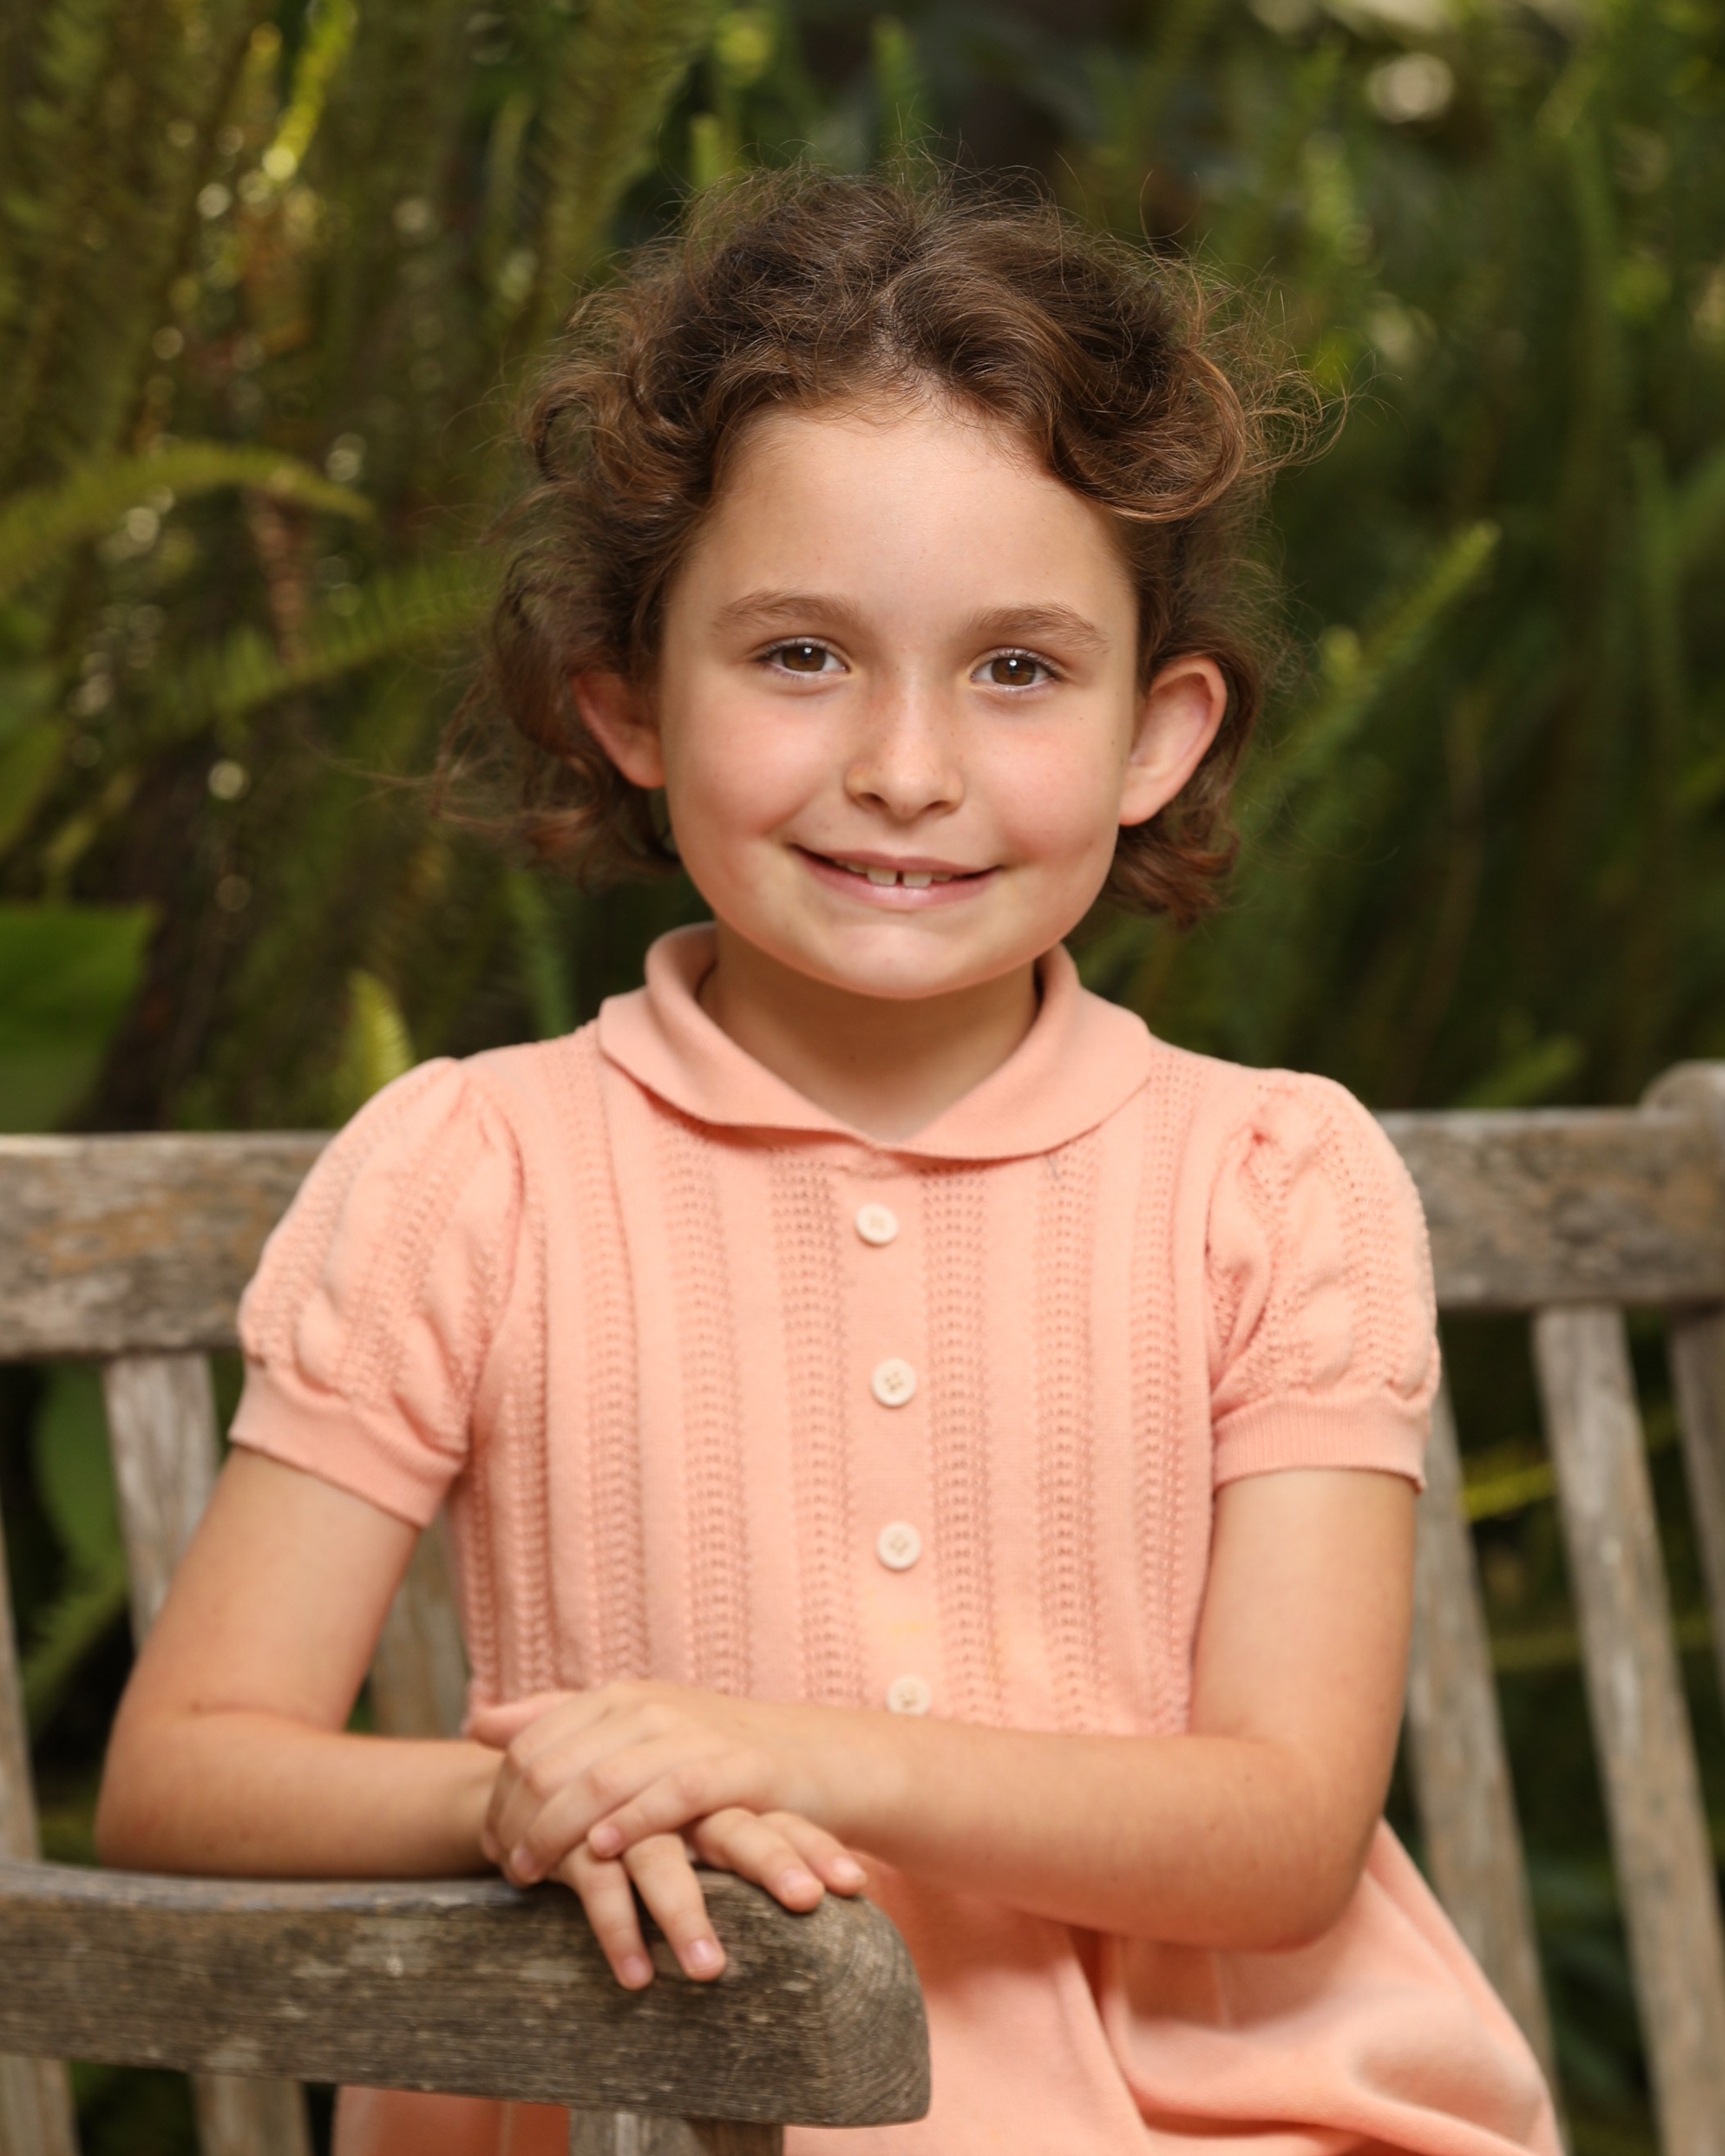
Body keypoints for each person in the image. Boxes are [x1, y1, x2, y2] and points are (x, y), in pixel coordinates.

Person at [95, 169, 1561, 2156]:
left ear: (1157, 735)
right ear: (629, 701)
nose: (905, 769)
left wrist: (784, 1756)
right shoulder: (477, 1170)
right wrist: (530, 1794)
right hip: (653, 2114)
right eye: (800, 654)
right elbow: (185, 1772)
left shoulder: (1274, 1185)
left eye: (1019, 669)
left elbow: (1284, 1834)